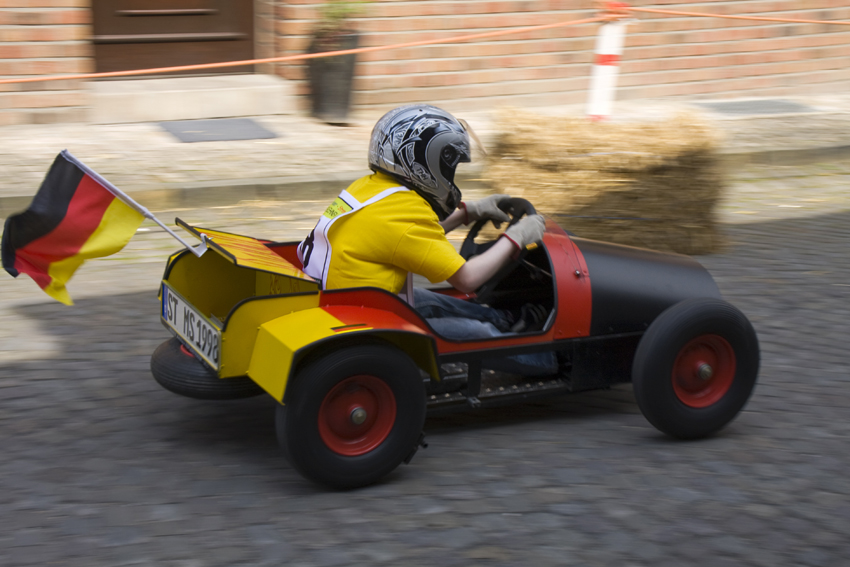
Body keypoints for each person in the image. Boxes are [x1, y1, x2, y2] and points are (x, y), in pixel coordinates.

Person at [297, 104, 557, 375]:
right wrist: (515, 238)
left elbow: (407, 239)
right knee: (477, 332)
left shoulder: (371, 187)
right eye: (449, 166)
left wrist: (469, 212)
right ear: (426, 163)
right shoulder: (408, 212)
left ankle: (505, 319)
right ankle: (543, 358)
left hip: (349, 303)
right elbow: (466, 278)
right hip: (369, 325)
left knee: (427, 300)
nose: (450, 175)